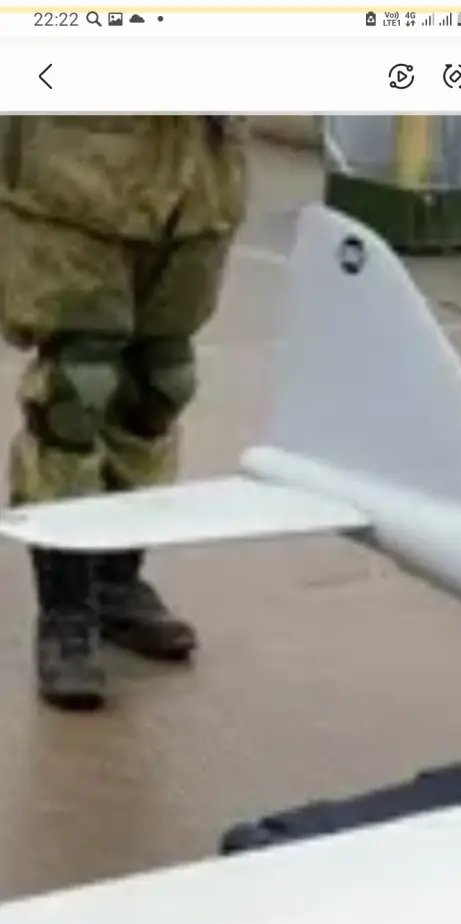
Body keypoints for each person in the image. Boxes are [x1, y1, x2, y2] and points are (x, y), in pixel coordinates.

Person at [0, 115, 247, 711]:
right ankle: (66, 610)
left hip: (200, 181)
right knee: (75, 391)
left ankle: (117, 580)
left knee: (160, 382)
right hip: (78, 177)